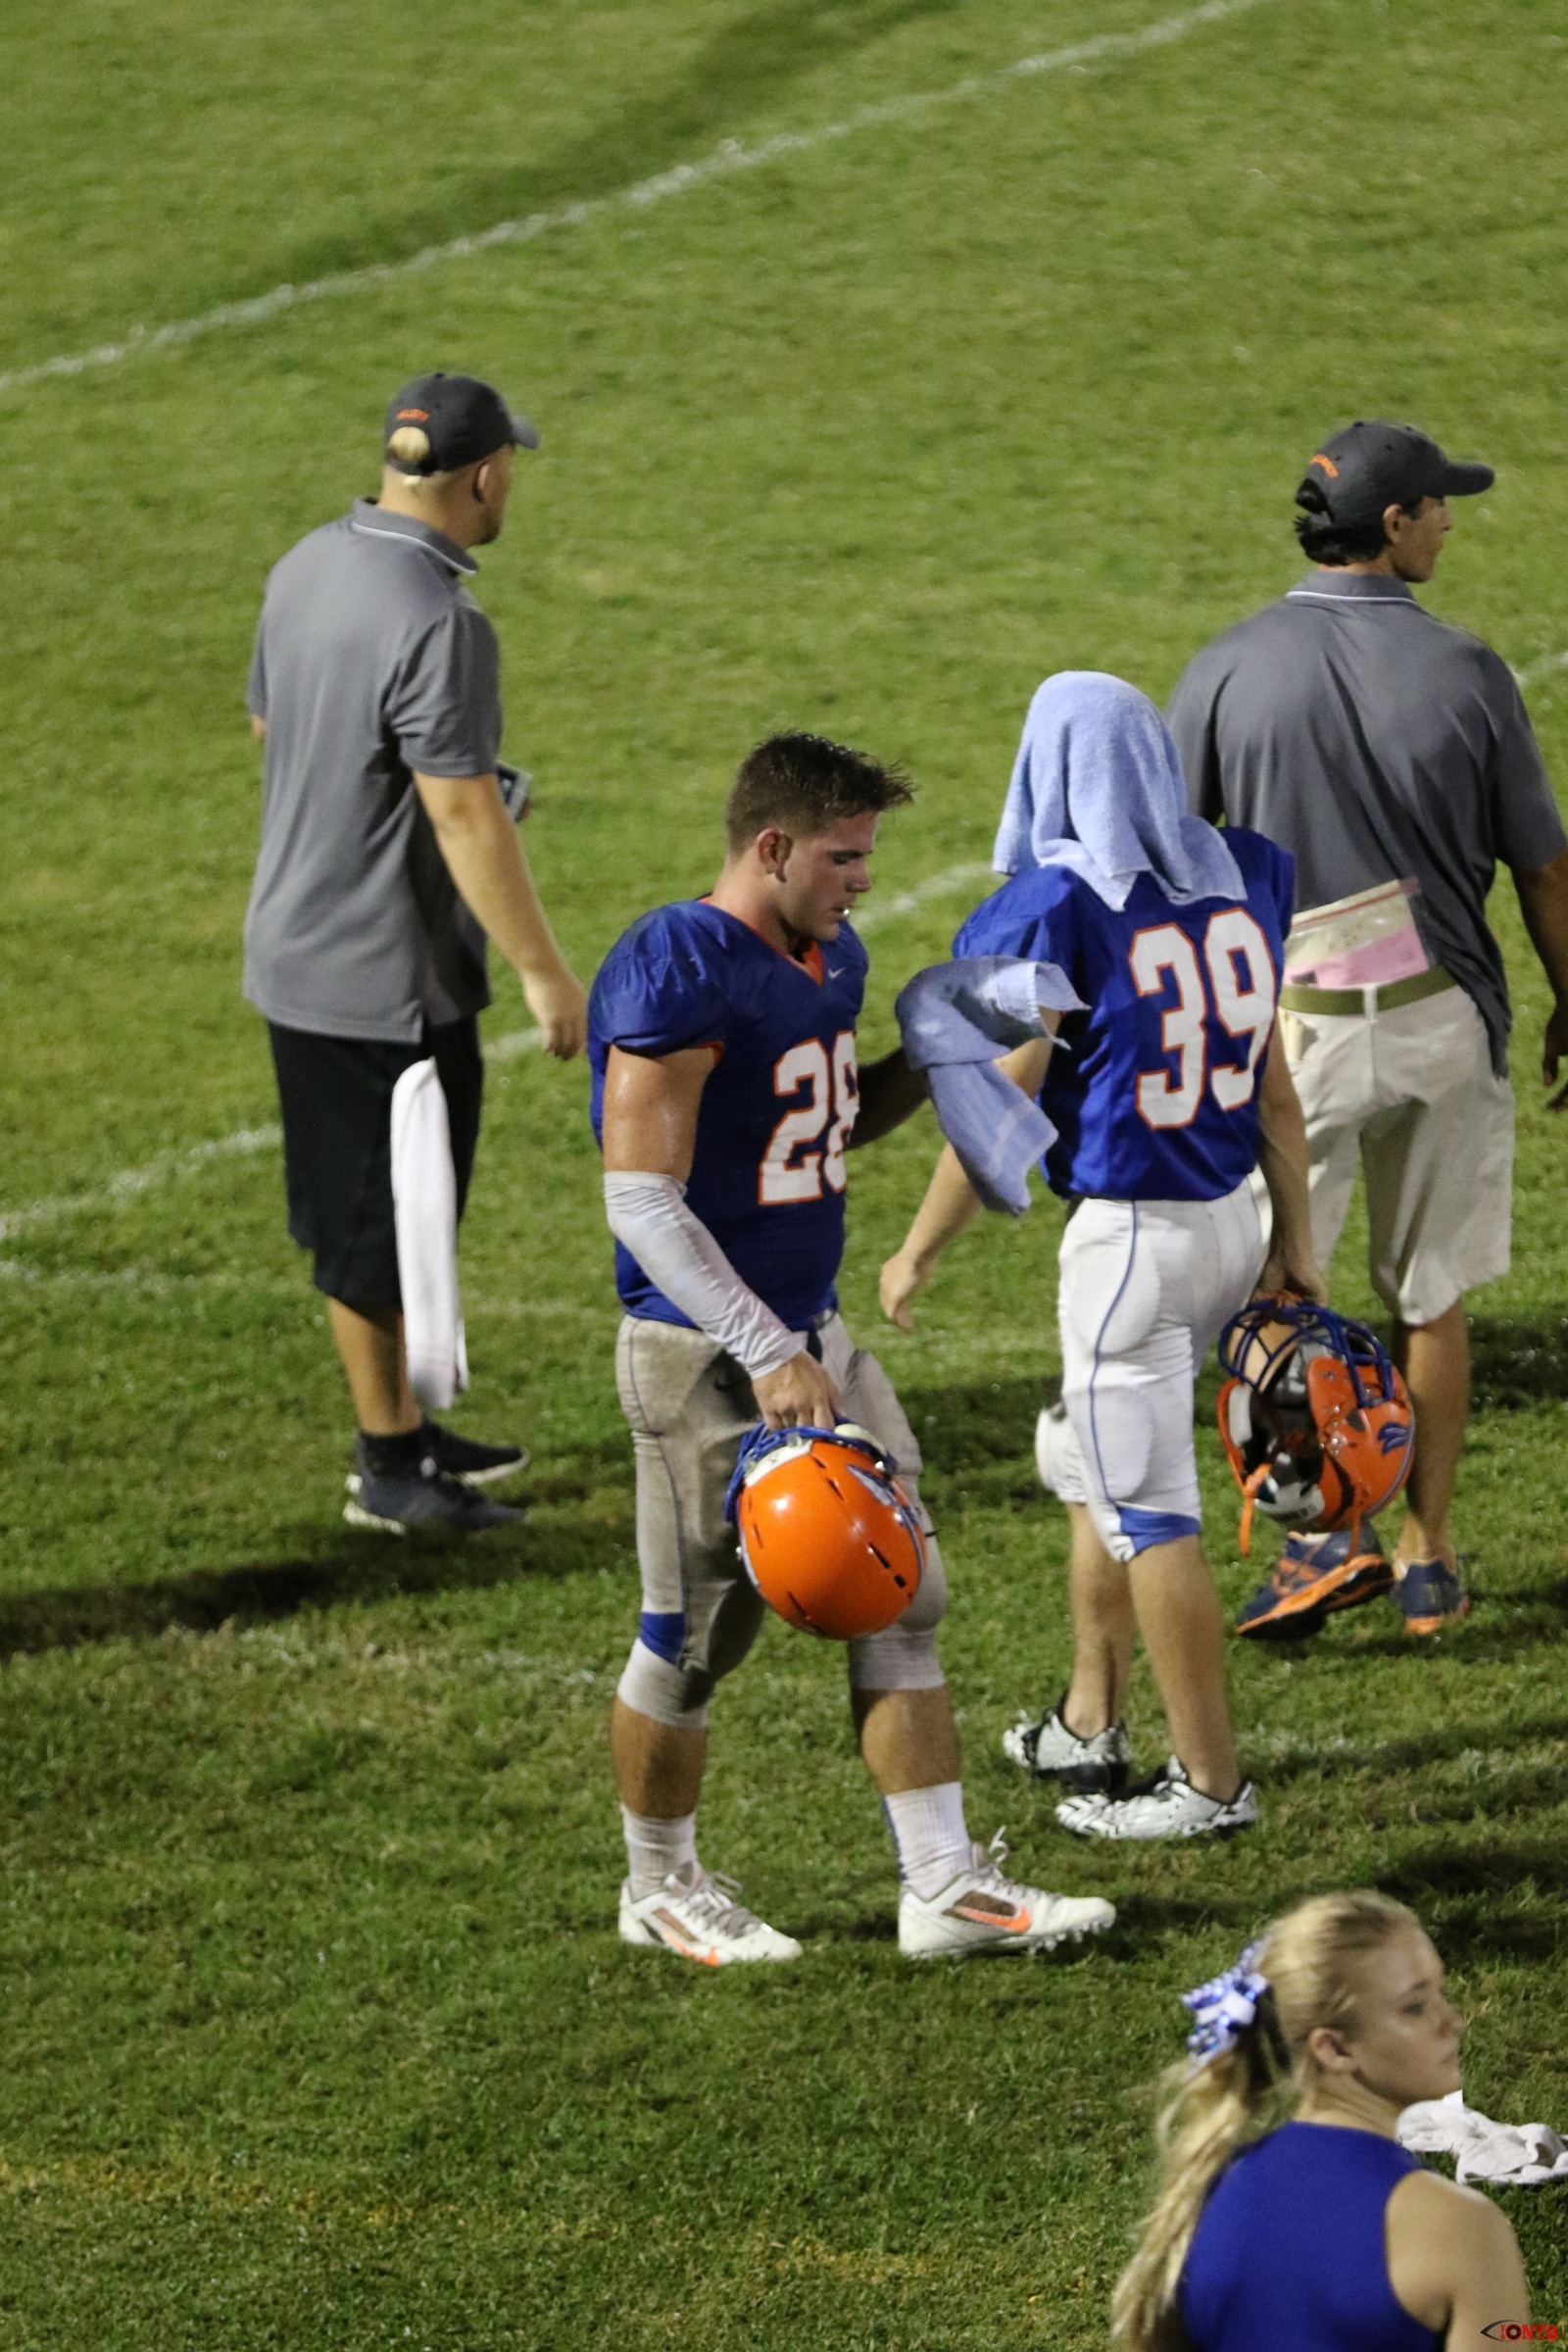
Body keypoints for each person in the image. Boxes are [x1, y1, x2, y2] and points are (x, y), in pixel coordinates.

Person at [589, 730, 1116, 1963]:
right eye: (843, 856)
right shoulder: (678, 962)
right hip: (702, 1353)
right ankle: (657, 1885)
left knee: (899, 1591)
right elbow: (640, 1197)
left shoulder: (830, 956)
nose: (864, 879)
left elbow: (817, 1117)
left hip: (809, 1333)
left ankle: (942, 1885)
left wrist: (929, 1059)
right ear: (770, 847)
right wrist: (765, 1347)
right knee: (694, 1637)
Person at [880, 673, 1323, 1841]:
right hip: (1231, 1218)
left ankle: (1210, 1785)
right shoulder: (1240, 874)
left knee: (1151, 1515)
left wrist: (915, 1251)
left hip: (1132, 1243)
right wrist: (1299, 1247)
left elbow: (995, 1115)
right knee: (1091, 1464)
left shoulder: (1055, 908)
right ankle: (1090, 1719)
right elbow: (1276, 1089)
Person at [1167, 419, 1568, 1638]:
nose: (1448, 520)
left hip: (1295, 1034)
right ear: (1390, 526)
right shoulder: (1470, 671)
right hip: (1444, 1012)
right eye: (1437, 505)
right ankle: (1425, 1553)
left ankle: (1318, 1542)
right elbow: (1544, 869)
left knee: (1284, 1297)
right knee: (1429, 1297)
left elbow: (1173, 869)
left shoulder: (1225, 668)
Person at [244, 372, 588, 1534]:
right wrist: (542, 973)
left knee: (394, 1220)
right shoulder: (441, 621)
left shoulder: (306, 565)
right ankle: (389, 1469)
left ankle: (402, 1428)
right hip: (378, 981)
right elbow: (461, 814)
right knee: (375, 1229)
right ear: (482, 476)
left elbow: (274, 722)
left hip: (304, 948)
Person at [1112, 1890, 1533, 2351]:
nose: (1452, 2021)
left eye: (1440, 1993)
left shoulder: (1207, 2191)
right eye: (1415, 2007)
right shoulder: (1461, 2227)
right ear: (1334, 2048)